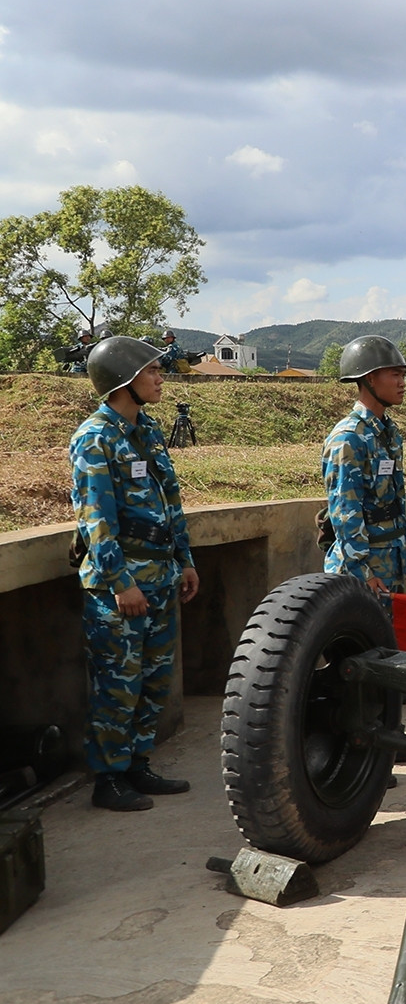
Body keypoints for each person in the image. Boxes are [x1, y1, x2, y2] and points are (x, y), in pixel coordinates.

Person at [70, 337, 200, 811]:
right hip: (121, 586)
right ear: (123, 380)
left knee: (154, 680)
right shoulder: (95, 438)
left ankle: (138, 765)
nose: (161, 378)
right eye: (151, 371)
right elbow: (96, 520)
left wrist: (185, 560)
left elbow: (170, 501)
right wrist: (121, 583)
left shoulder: (147, 430)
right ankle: (109, 779)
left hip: (161, 575)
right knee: (117, 686)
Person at [323, 335, 406, 595]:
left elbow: (392, 503)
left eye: (403, 375)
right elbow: (345, 511)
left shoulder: (388, 433)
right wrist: (362, 573)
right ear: (370, 379)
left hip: (390, 562)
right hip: (362, 574)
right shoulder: (349, 438)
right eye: (395, 375)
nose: (402, 383)